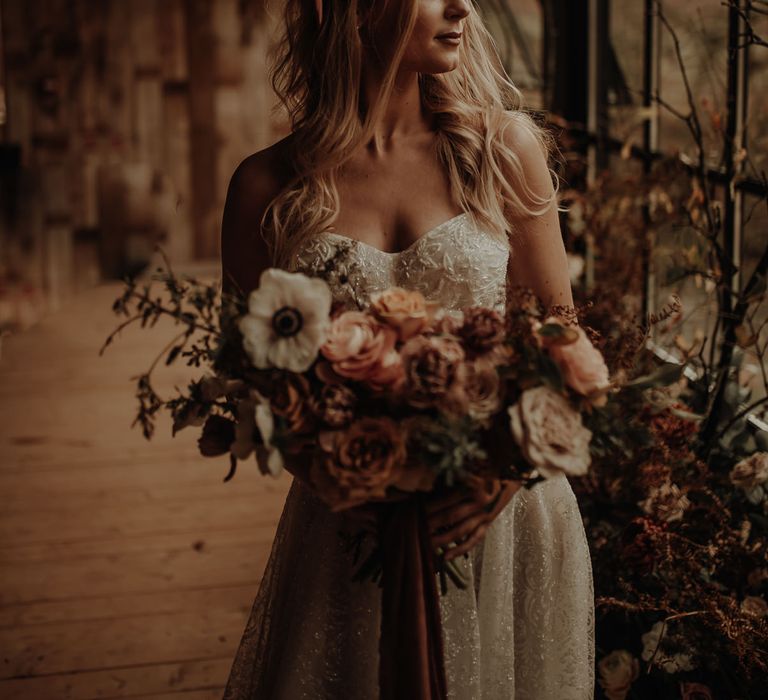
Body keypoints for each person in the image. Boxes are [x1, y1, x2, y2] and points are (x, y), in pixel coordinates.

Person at [219, 1, 594, 697]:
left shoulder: (504, 149)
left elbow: (561, 336)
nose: (463, 6)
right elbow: (250, 385)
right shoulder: (266, 188)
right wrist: (342, 479)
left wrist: (499, 479)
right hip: (351, 525)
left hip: (504, 516)